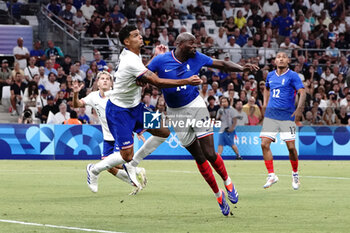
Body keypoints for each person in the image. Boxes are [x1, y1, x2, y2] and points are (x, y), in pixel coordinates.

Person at [148, 32, 259, 216]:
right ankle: (218, 195)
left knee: (209, 152)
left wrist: (241, 68)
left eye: (195, 44)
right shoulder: (161, 60)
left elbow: (222, 64)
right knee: (199, 157)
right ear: (179, 44)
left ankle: (228, 181)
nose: (195, 47)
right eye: (191, 44)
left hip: (195, 105)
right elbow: (144, 74)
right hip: (175, 113)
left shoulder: (197, 57)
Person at [85, 25, 202, 194]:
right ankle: (94, 170)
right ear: (126, 41)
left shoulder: (132, 55)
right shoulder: (130, 60)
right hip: (119, 112)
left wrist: (155, 57)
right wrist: (186, 81)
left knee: (163, 132)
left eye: (139, 34)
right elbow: (158, 81)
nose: (140, 37)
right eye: (135, 35)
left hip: (136, 108)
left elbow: (142, 73)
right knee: (126, 155)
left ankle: (133, 164)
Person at [73, 71, 148, 194]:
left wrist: (138, 129)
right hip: (108, 137)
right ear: (97, 82)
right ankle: (135, 177)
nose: (105, 80)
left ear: (112, 83)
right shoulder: (93, 96)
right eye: (102, 78)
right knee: (110, 167)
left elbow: (130, 110)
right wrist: (75, 93)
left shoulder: (116, 95)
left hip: (120, 134)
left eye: (108, 79)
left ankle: (132, 171)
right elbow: (76, 105)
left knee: (117, 161)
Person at [260, 51, 305, 190]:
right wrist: (265, 103)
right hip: (271, 115)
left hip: (287, 116)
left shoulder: (292, 76)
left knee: (291, 147)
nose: (280, 59)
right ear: (275, 61)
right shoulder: (270, 75)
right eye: (278, 57)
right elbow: (266, 89)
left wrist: (299, 109)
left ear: (288, 61)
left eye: (283, 57)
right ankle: (271, 175)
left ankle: (295, 174)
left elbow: (302, 92)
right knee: (264, 144)